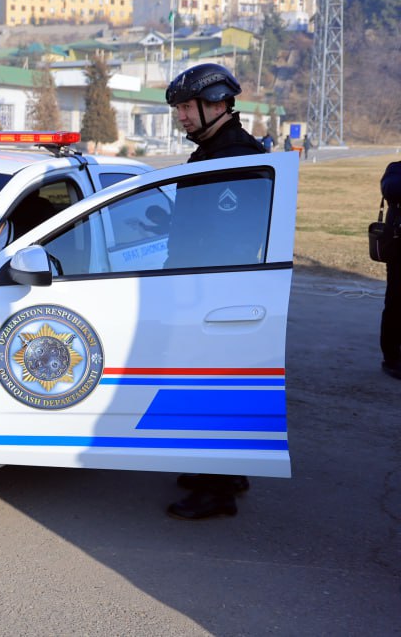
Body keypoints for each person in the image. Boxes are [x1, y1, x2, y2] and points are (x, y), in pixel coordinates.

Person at [163, 62, 265, 521]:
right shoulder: (212, 152)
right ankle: (226, 472)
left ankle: (217, 491)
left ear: (218, 103)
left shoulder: (235, 157)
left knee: (212, 391)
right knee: (216, 388)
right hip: (209, 288)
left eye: (187, 107)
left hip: (217, 292)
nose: (181, 117)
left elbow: (229, 238)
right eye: (179, 109)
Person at [379, 162, 401, 381]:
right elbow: (391, 188)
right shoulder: (396, 169)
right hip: (398, 247)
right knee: (396, 303)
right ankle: (392, 358)